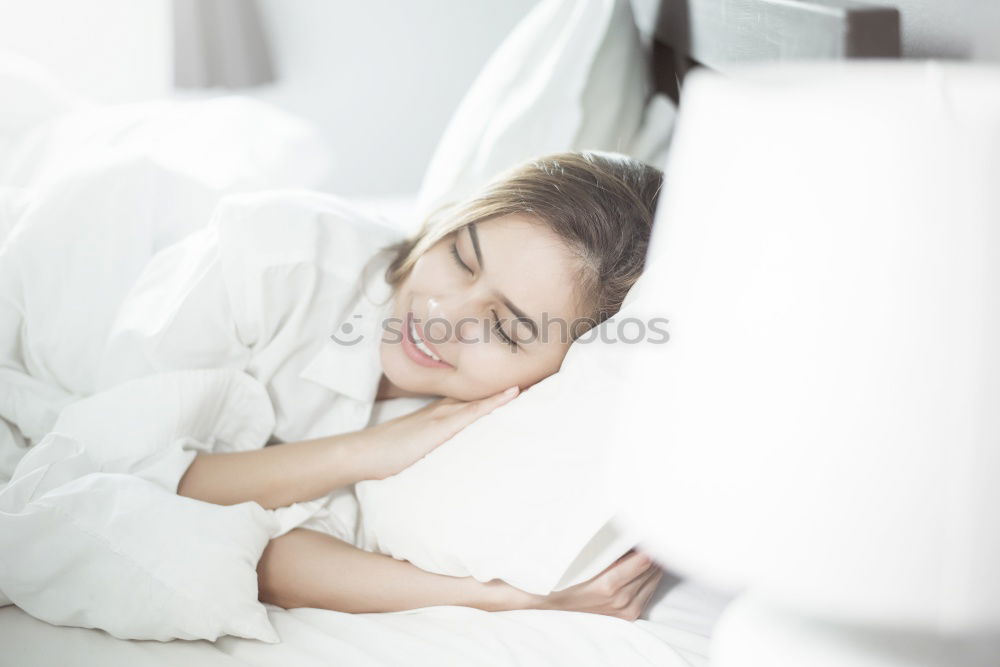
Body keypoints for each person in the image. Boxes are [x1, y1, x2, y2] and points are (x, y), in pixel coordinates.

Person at [105, 151, 666, 620]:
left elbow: (270, 561)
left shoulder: (492, 429)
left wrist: (512, 599)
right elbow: (116, 476)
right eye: (460, 258)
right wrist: (364, 452)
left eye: (502, 327)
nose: (441, 314)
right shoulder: (278, 262)